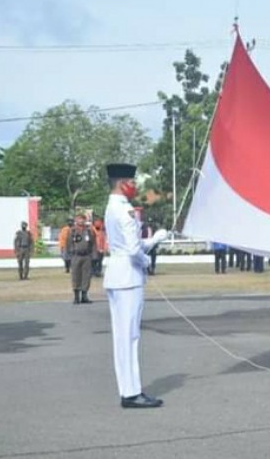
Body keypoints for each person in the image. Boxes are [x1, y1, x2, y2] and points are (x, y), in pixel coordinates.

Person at [104, 163, 168, 409]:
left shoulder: (112, 207)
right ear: (123, 184)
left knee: (122, 336)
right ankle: (131, 393)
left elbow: (128, 243)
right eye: (132, 183)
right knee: (130, 336)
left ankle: (128, 389)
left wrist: (152, 240)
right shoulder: (126, 211)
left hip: (116, 275)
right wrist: (146, 261)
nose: (135, 187)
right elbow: (133, 250)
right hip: (129, 277)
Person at [67, 214, 95, 304]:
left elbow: (93, 243)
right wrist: (71, 253)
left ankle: (84, 296)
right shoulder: (73, 231)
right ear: (76, 220)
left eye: (83, 219)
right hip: (76, 256)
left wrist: (93, 255)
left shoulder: (89, 231)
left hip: (86, 256)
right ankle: (76, 297)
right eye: (79, 219)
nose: (81, 221)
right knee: (76, 275)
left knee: (86, 276)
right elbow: (69, 243)